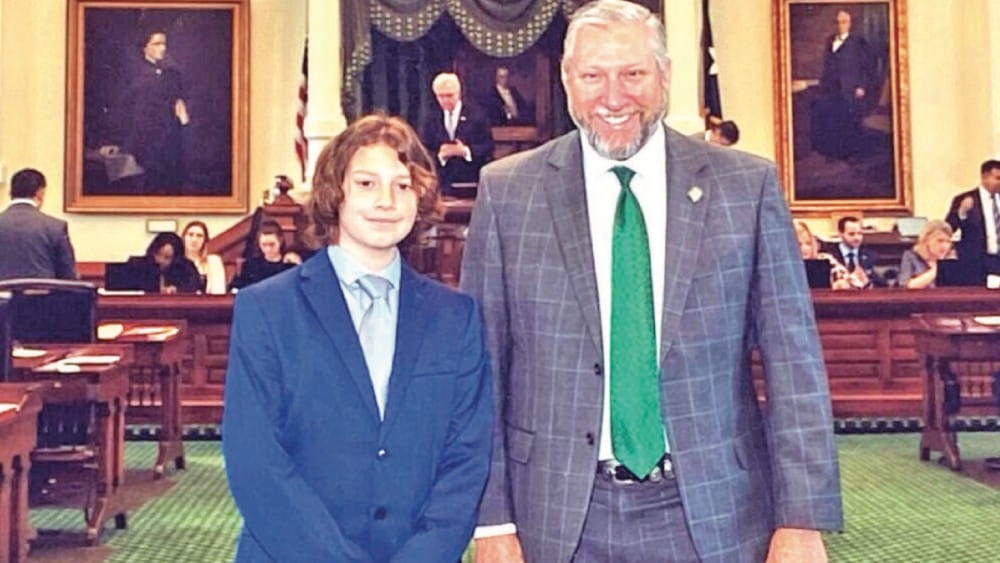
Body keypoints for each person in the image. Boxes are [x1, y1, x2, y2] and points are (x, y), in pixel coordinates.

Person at [461, 2, 843, 561]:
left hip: (713, 509)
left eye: (633, 73)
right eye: (593, 75)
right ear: (568, 80)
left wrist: (802, 518)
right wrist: (492, 522)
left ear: (664, 78)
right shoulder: (507, 193)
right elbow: (484, 369)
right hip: (557, 512)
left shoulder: (746, 186)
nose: (613, 97)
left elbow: (794, 364)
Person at [222, 113, 493, 562]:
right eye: (367, 183)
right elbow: (256, 462)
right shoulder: (266, 309)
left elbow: (466, 458)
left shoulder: (456, 317)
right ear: (336, 193)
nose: (386, 200)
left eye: (402, 185)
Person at [101, 29, 189, 192]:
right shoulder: (135, 77)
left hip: (169, 144)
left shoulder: (172, 76)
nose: (162, 48)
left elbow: (179, 107)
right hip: (141, 145)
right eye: (156, 44)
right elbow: (123, 109)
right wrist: (115, 140)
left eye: (164, 44)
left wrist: (182, 121)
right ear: (144, 47)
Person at [810, 9, 875, 160]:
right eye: (838, 22)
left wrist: (862, 86)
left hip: (850, 88)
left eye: (844, 22)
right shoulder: (830, 40)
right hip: (831, 88)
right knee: (833, 118)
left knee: (849, 120)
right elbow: (827, 64)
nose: (840, 25)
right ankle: (833, 152)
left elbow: (868, 67)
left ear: (850, 24)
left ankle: (851, 154)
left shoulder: (858, 42)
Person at [421, 72, 494, 198]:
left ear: (459, 93)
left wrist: (465, 151)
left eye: (449, 96)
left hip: (470, 179)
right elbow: (425, 149)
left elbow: (488, 146)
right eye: (440, 96)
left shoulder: (477, 115)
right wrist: (441, 155)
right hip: (442, 183)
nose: (445, 100)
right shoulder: (431, 117)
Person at [0, 168, 77, 281]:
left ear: (10, 193)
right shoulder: (55, 227)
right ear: (40, 193)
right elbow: (68, 276)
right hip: (42, 297)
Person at [944, 159, 1000, 285]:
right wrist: (961, 213)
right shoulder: (965, 199)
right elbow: (948, 228)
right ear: (985, 177)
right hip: (976, 261)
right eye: (997, 178)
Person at [229, 221, 297, 290]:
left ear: (280, 241)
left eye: (272, 244)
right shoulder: (250, 266)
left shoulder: (289, 266)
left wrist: (298, 264)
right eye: (264, 245)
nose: (268, 249)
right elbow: (236, 289)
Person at [826, 215, 880, 288]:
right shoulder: (829, 256)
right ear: (840, 233)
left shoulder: (872, 256)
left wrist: (868, 283)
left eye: (859, 233)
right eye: (851, 234)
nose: (857, 238)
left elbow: (883, 286)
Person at [899, 220, 954, 289]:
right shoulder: (911, 256)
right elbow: (906, 286)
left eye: (948, 241)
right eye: (940, 241)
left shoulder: (950, 257)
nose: (945, 246)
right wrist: (935, 271)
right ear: (927, 240)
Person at [795, 221, 850, 290]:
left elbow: (847, 279)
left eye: (808, 243)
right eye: (799, 244)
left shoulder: (826, 259)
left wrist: (841, 283)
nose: (805, 248)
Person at [181, 220, 226, 294]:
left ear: (205, 240)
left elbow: (219, 292)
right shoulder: (176, 263)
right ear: (184, 238)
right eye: (190, 235)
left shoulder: (213, 262)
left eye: (199, 236)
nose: (194, 239)